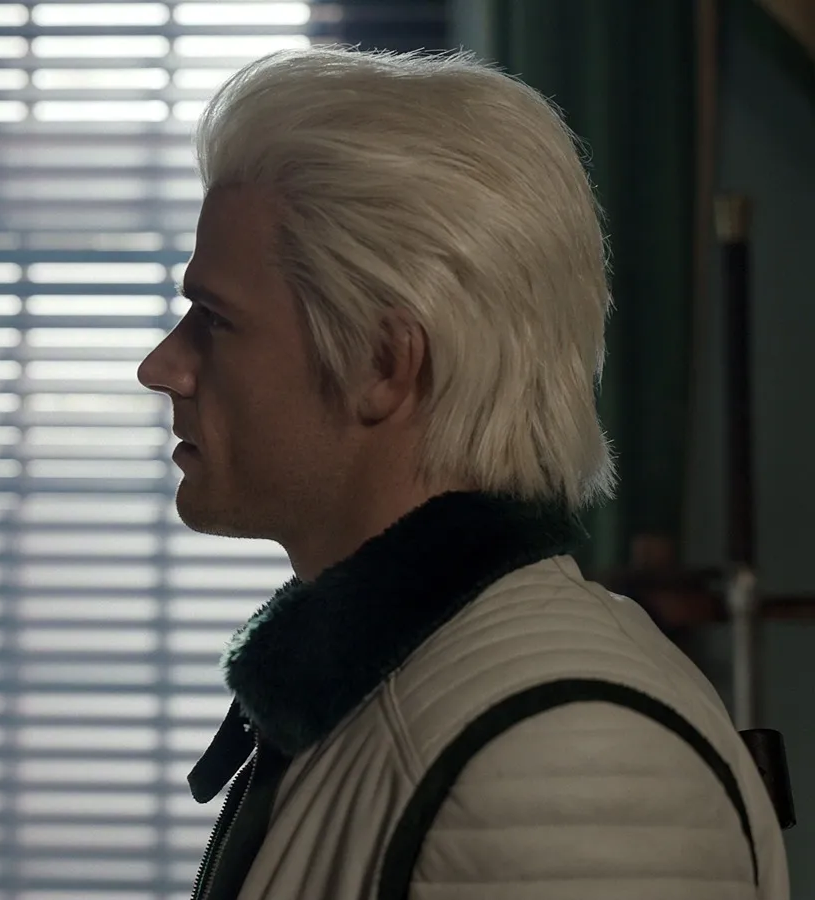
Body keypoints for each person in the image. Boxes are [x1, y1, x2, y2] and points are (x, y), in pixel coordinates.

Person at [138, 47, 791, 900]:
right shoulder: (401, 697)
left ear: (384, 364)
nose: (162, 366)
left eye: (215, 319)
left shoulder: (565, 764)